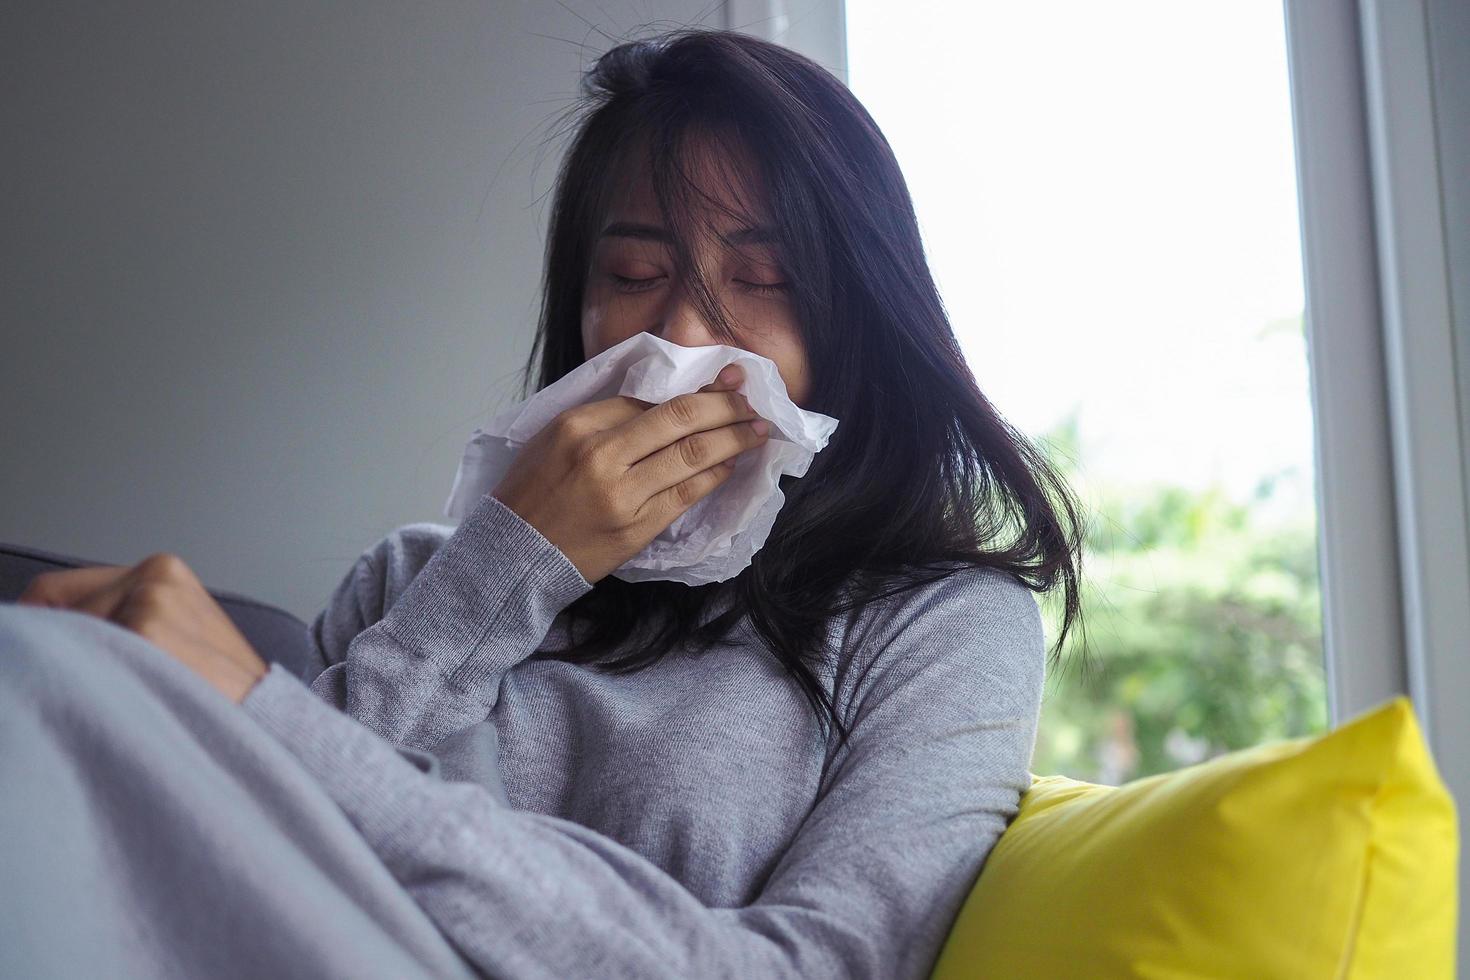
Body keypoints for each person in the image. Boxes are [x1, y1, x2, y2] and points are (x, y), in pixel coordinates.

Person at [0, 27, 1088, 979]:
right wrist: (506, 566)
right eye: (631, 271)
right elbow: (261, 884)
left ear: (860, 323)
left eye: (769, 280)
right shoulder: (411, 583)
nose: (687, 341)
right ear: (578, 312)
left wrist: (265, 713)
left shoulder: (940, 624)